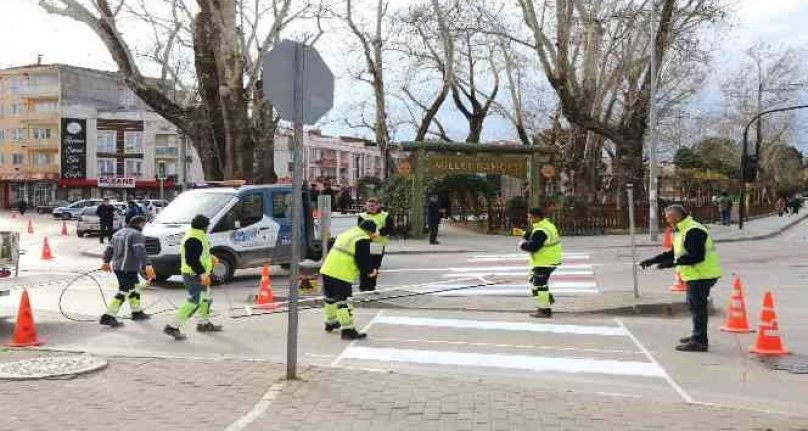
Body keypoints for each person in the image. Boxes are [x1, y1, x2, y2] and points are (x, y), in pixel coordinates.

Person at [641, 204, 722, 352]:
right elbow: (673, 253)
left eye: (667, 217)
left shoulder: (693, 230)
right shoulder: (682, 229)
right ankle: (697, 335)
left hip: (702, 275)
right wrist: (651, 261)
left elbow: (696, 257)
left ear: (675, 217)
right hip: (695, 275)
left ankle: (700, 341)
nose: (666, 220)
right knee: (694, 306)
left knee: (698, 308)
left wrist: (670, 264)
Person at [164, 215, 221, 340]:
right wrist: (202, 273)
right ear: (204, 226)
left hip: (198, 273)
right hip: (193, 274)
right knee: (195, 301)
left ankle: (203, 323)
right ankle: (173, 326)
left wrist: (210, 256)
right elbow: (191, 260)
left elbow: (199, 252)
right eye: (208, 225)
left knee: (206, 299)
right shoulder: (193, 238)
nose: (208, 227)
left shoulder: (197, 235)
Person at [320, 219, 377, 340]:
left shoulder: (347, 233)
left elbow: (331, 245)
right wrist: (370, 272)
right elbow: (363, 259)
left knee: (330, 298)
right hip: (341, 273)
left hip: (327, 269)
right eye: (373, 233)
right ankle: (347, 330)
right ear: (369, 231)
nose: (373, 236)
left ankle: (331, 322)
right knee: (344, 302)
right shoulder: (362, 238)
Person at [99, 216, 154, 327]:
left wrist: (106, 262)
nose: (144, 227)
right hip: (127, 268)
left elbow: (109, 249)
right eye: (144, 225)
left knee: (135, 287)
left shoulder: (118, 233)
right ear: (140, 224)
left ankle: (136, 312)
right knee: (124, 291)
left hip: (119, 267)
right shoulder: (136, 235)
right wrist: (147, 265)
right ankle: (108, 316)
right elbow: (140, 251)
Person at [519, 207, 562, 318]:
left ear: (536, 217)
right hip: (548, 259)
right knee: (533, 280)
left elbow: (534, 246)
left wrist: (522, 245)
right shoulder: (547, 225)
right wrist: (524, 234)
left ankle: (544, 310)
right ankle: (547, 299)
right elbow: (536, 236)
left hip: (545, 261)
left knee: (539, 284)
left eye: (530, 217)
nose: (528, 219)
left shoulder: (541, 230)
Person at [357, 197, 394, 292]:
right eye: (368, 206)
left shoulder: (385, 215)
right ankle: (363, 287)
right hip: (365, 245)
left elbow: (390, 228)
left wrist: (380, 232)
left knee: (374, 267)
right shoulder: (362, 215)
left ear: (378, 205)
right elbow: (359, 229)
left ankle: (371, 287)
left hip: (378, 244)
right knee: (364, 266)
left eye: (373, 206)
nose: (371, 208)